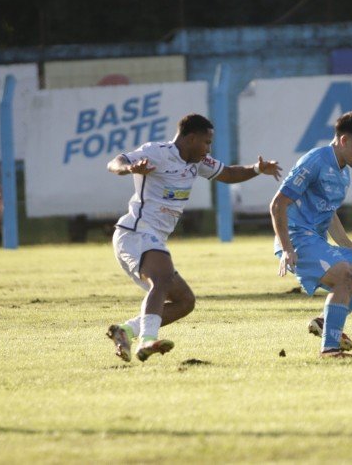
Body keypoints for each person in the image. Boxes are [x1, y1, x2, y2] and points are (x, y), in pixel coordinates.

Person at [106, 113, 282, 363]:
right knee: (163, 279)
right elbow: (115, 162)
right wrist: (128, 168)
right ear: (189, 138)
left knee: (185, 301)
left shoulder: (197, 162)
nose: (208, 148)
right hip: (136, 232)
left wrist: (256, 169)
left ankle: (126, 331)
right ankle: (147, 341)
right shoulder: (156, 152)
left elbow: (229, 174)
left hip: (152, 238)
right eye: (206, 142)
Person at [269, 112, 352, 358]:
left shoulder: (344, 172)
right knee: (345, 276)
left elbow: (329, 214)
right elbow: (278, 204)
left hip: (316, 241)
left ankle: (325, 320)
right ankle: (330, 349)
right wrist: (288, 248)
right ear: (343, 141)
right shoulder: (315, 161)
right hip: (297, 239)